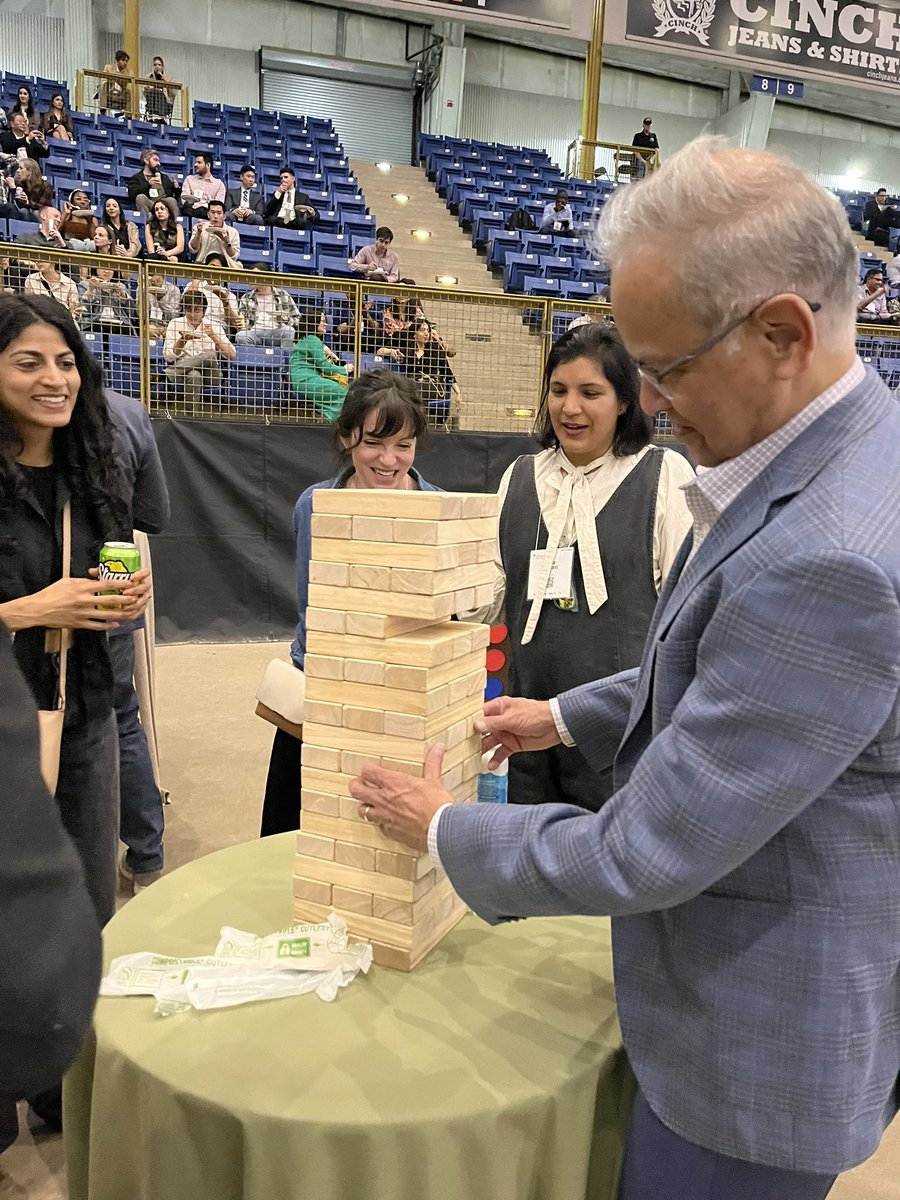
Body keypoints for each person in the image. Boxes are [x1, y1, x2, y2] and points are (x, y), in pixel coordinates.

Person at [350, 137, 900, 1200]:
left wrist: (440, 826)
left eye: (664, 368)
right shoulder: (829, 456)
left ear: (781, 333)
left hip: (749, 1051)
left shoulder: (829, 554)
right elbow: (717, 667)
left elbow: (650, 847)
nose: (643, 400)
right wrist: (560, 717)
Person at [475, 321, 693, 809]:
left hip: (624, 738)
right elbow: (489, 594)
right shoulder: (522, 476)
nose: (569, 408)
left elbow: (687, 624)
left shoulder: (664, 475)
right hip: (525, 729)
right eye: (558, 390)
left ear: (624, 400)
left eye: (590, 392)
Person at [0, 289, 151, 961]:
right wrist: (32, 610)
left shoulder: (95, 466)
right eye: (28, 363)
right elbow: (43, 602)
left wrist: (124, 595)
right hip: (6, 717)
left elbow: (102, 580)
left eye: (65, 362)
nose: (54, 380)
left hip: (85, 708)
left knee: (89, 907)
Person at [260, 370, 436, 836]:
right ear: (345, 436)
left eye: (404, 445)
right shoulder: (315, 505)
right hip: (326, 690)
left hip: (403, 695)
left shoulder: (436, 507)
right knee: (299, 828)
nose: (388, 459)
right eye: (374, 442)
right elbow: (310, 611)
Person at [0, 631, 102, 1152]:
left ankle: (67, 1099)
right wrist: (30, 610)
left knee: (93, 906)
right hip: (34, 694)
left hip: (81, 691)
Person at [104, 389, 170, 893]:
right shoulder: (126, 411)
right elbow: (153, 515)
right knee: (121, 718)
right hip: (113, 567)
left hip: (63, 578)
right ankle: (146, 855)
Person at [163, 289, 236, 402]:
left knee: (210, 355)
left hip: (211, 374)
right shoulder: (175, 323)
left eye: (197, 310)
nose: (192, 315)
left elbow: (231, 355)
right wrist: (182, 340)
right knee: (194, 375)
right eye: (188, 310)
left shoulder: (214, 326)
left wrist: (213, 336)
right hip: (183, 374)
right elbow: (168, 356)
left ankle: (166, 375)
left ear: (204, 311)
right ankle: (191, 417)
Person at [378, 317, 459, 409]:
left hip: (432, 386)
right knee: (407, 388)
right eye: (422, 330)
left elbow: (448, 373)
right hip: (412, 385)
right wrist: (391, 351)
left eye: (428, 331)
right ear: (414, 334)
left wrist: (458, 393)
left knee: (413, 390)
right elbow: (379, 351)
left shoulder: (435, 350)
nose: (426, 334)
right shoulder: (408, 351)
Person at [289, 308, 349, 420]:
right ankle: (328, 418)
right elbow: (325, 367)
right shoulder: (312, 340)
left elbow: (319, 350)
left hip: (304, 381)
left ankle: (324, 416)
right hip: (307, 380)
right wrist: (344, 369)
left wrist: (327, 350)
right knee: (342, 392)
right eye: (322, 321)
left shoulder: (307, 339)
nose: (325, 324)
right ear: (313, 322)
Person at [237, 268, 299, 350]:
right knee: (240, 336)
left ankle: (285, 360)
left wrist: (285, 319)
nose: (250, 278)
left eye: (254, 275)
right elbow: (241, 323)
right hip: (255, 332)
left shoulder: (283, 295)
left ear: (265, 277)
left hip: (276, 332)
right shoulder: (246, 297)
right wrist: (242, 325)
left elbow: (297, 319)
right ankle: (252, 360)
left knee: (289, 330)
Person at [126, 148, 180, 221]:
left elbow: (172, 194)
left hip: (163, 204)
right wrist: (148, 184)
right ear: (146, 161)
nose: (158, 163)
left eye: (158, 161)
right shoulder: (136, 178)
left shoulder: (164, 177)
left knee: (171, 200)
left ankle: (175, 227)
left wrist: (176, 188)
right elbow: (132, 194)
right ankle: (146, 225)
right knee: (140, 197)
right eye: (155, 160)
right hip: (149, 203)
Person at [80, 267, 137, 334]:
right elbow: (84, 312)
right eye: (103, 268)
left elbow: (132, 314)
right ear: (96, 269)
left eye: (110, 269)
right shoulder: (85, 284)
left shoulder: (121, 286)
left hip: (119, 324)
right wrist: (90, 290)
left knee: (127, 330)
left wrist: (123, 295)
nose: (106, 271)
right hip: (95, 322)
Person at [188, 199, 242, 267]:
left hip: (225, 266)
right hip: (203, 264)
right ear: (208, 215)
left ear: (224, 216)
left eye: (219, 213)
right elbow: (193, 249)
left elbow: (234, 257)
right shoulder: (200, 227)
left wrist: (227, 242)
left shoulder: (233, 232)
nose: (215, 216)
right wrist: (198, 233)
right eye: (212, 212)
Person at [180, 152, 225, 219]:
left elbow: (219, 205)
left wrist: (211, 202)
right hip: (191, 210)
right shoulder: (189, 179)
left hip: (207, 212)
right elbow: (184, 198)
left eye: (199, 162)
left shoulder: (219, 184)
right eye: (195, 162)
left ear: (208, 165)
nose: (195, 165)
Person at [144, 198, 185, 262]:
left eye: (162, 209)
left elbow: (180, 248)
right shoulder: (149, 227)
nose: (159, 212)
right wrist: (163, 256)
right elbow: (150, 250)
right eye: (156, 210)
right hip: (157, 256)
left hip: (174, 255)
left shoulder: (178, 227)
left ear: (169, 212)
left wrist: (166, 254)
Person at [146, 270, 182, 337]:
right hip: (150, 324)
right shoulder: (143, 287)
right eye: (149, 274)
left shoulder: (173, 290)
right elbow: (139, 314)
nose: (150, 278)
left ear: (161, 275)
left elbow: (173, 317)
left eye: (152, 274)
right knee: (150, 330)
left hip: (167, 325)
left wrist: (161, 301)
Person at [143, 56, 177, 125]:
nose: (157, 67)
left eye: (159, 65)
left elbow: (174, 93)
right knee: (154, 92)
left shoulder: (169, 78)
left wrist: (166, 81)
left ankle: (161, 118)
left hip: (165, 104)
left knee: (159, 93)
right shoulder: (148, 77)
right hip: (152, 101)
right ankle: (152, 117)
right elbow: (144, 92)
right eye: (155, 65)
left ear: (162, 66)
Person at [98, 50, 132, 114]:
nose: (125, 63)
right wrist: (116, 78)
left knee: (128, 92)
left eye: (126, 61)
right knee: (104, 84)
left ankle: (128, 116)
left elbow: (127, 83)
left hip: (120, 93)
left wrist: (114, 77)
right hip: (109, 91)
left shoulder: (128, 72)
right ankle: (102, 110)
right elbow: (103, 79)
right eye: (123, 60)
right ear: (118, 61)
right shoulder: (108, 68)